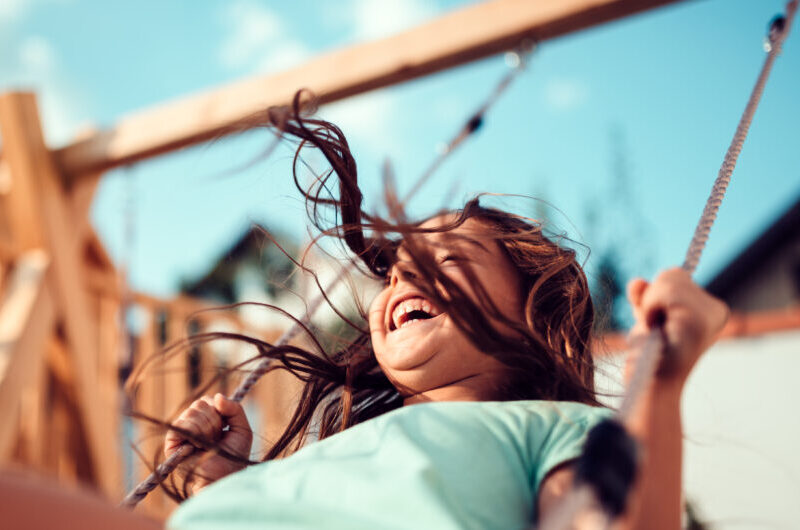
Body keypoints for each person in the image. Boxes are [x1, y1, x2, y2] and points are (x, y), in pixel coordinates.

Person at [0, 105, 728, 530]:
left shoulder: (554, 430)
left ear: (531, 317)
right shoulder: (330, 453)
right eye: (403, 271)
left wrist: (657, 391)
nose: (408, 278)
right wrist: (228, 480)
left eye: (450, 265)